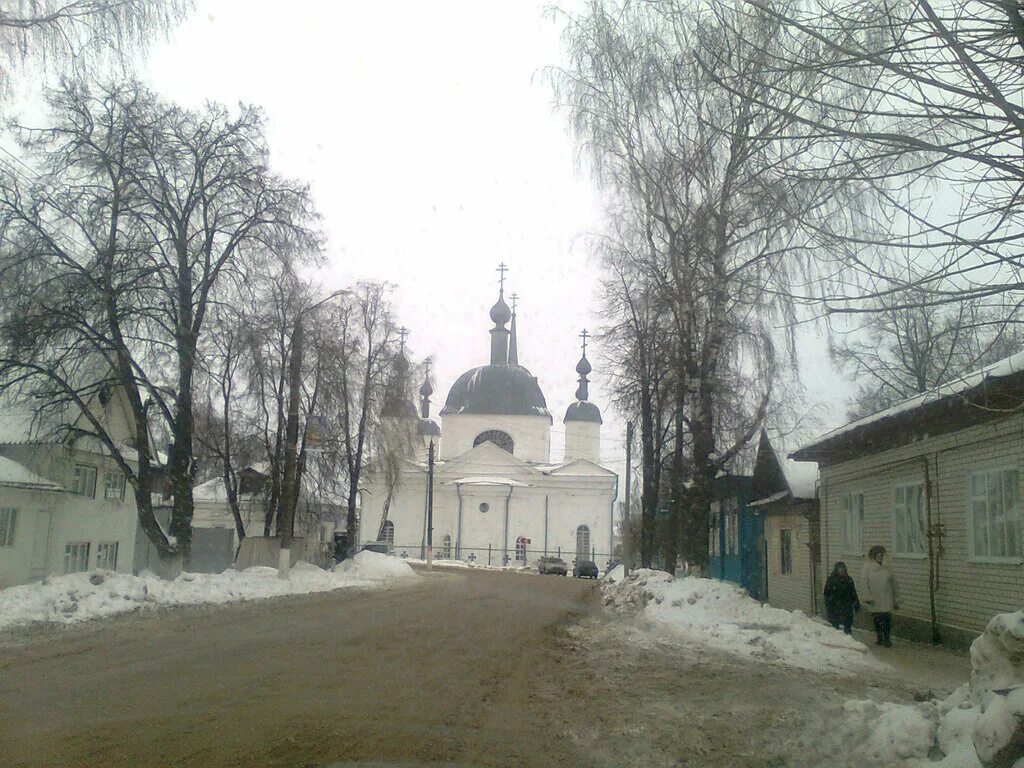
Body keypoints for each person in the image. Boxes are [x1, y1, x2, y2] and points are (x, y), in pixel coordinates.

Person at [860, 545, 899, 647]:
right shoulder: (868, 567)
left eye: (881, 555)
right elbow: (864, 583)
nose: (879, 557)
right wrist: (867, 597)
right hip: (875, 599)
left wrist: (897, 598)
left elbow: (894, 583)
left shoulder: (888, 567)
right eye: (877, 555)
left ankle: (887, 639)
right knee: (877, 619)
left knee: (886, 619)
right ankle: (879, 637)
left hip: (887, 597)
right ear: (873, 556)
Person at [823, 561, 859, 634]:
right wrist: (828, 604)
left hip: (846, 607)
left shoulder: (848, 579)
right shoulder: (831, 580)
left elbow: (853, 592)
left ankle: (848, 639)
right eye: (840, 569)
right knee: (835, 628)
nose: (841, 570)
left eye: (843, 569)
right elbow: (826, 593)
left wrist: (856, 603)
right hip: (835, 607)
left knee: (847, 626)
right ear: (836, 570)